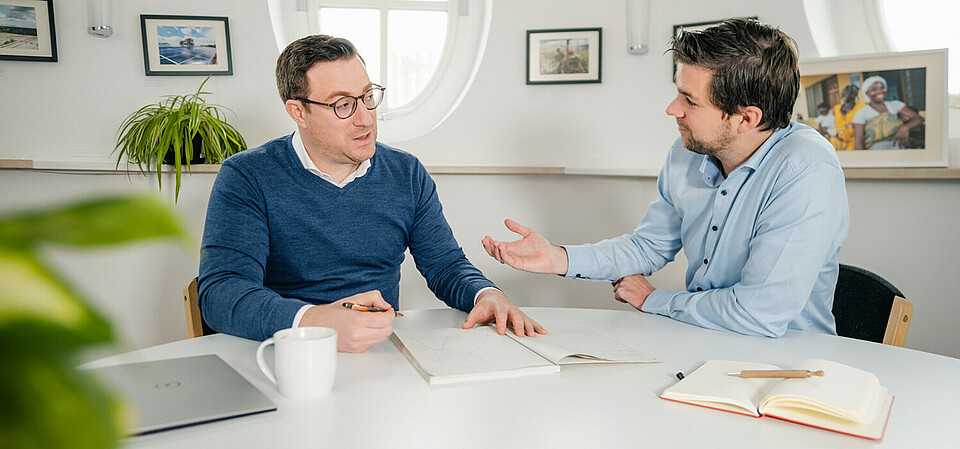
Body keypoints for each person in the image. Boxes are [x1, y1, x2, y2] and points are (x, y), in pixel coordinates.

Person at [482, 18, 849, 337]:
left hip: (790, 364)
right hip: (701, 341)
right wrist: (557, 258)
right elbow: (649, 247)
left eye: (690, 100)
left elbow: (757, 314)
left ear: (745, 118)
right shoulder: (688, 151)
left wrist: (654, 299)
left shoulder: (806, 171)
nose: (673, 109)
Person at [199, 35, 544, 353]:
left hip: (381, 354)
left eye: (367, 97)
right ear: (298, 111)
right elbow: (221, 291)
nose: (365, 119)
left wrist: (487, 294)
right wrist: (315, 322)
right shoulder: (246, 176)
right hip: (287, 354)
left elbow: (445, 265)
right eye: (342, 105)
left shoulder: (406, 172)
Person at [853, 75, 922, 150]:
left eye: (882, 87)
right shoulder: (861, 113)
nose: (879, 91)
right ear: (866, 93)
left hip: (899, 147)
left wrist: (905, 128)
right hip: (876, 151)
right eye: (874, 89)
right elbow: (858, 143)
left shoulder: (895, 105)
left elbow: (918, 119)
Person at [830, 84, 865, 151]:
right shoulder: (836, 108)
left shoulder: (861, 107)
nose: (843, 95)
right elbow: (833, 123)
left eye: (846, 93)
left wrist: (853, 125)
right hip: (837, 141)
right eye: (842, 93)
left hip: (853, 141)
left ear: (853, 95)